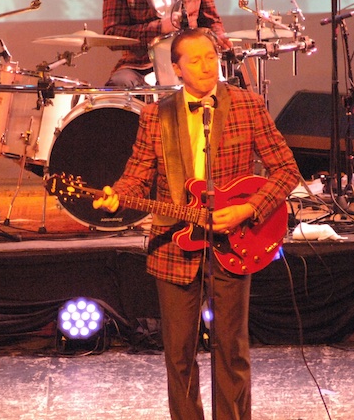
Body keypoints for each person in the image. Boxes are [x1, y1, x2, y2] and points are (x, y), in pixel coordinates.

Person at [93, 28, 300, 420]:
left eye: (211, 57)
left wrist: (248, 209)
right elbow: (136, 175)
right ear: (176, 68)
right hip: (174, 243)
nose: (207, 66)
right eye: (196, 59)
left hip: (235, 242)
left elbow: (286, 170)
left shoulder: (247, 105)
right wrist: (115, 196)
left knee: (232, 350)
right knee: (179, 355)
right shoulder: (156, 114)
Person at [102, 0, 231, 87]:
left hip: (191, 58)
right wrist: (160, 27)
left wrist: (219, 35)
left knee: (233, 80)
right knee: (119, 83)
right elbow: (113, 32)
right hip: (143, 63)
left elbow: (211, 21)